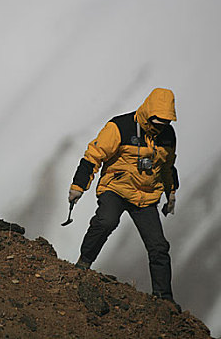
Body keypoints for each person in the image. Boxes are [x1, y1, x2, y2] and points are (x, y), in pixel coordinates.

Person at [68, 88, 181, 311]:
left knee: (158, 247)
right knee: (106, 222)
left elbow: (168, 167)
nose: (161, 126)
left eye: (166, 122)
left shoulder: (168, 136)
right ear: (148, 112)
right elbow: (93, 155)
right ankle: (82, 265)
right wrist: (78, 187)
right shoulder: (120, 126)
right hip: (116, 188)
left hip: (146, 197)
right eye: (158, 121)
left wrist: (171, 194)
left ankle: (164, 298)